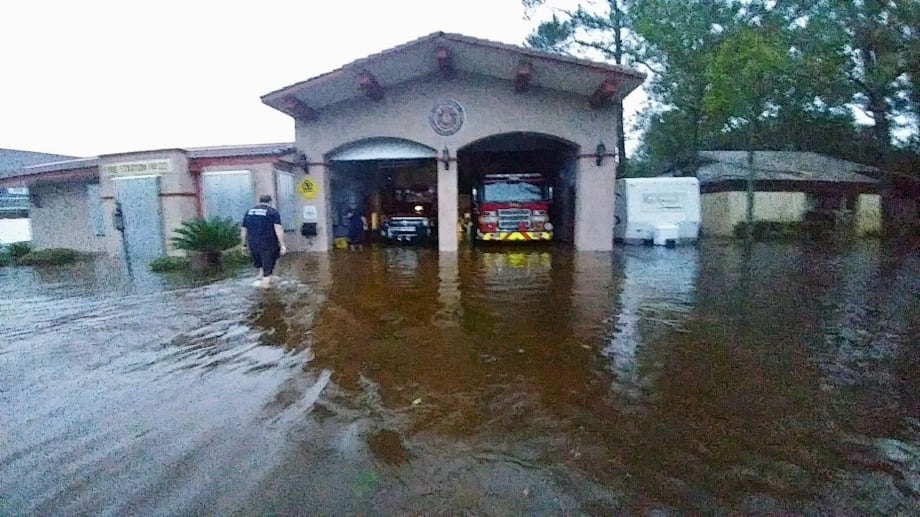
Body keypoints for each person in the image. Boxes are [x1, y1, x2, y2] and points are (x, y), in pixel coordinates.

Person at [241, 194, 287, 288]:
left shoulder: (249, 212)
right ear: (270, 202)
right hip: (268, 245)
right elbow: (278, 229)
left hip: (253, 244)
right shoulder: (272, 212)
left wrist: (244, 245)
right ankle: (265, 298)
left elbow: (243, 230)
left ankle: (263, 281)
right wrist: (282, 245)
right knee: (267, 273)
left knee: (262, 268)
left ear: (259, 201)